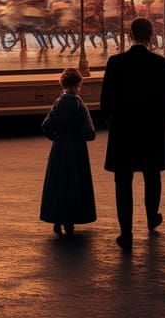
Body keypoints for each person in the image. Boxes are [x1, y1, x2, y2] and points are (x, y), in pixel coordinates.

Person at [100, 16, 165, 251]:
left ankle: (126, 232)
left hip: (123, 129)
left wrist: (113, 121)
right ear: (151, 35)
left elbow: (105, 100)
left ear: (130, 35)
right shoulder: (161, 64)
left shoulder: (115, 62)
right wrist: (158, 120)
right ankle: (152, 216)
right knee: (152, 175)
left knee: (123, 181)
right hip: (151, 128)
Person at [39, 68, 97, 237]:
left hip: (60, 147)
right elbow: (90, 132)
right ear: (78, 85)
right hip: (76, 148)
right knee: (74, 183)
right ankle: (70, 222)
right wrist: (79, 137)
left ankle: (57, 220)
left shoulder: (58, 103)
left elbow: (46, 126)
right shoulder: (79, 104)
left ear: (63, 84)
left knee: (59, 182)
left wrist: (57, 138)